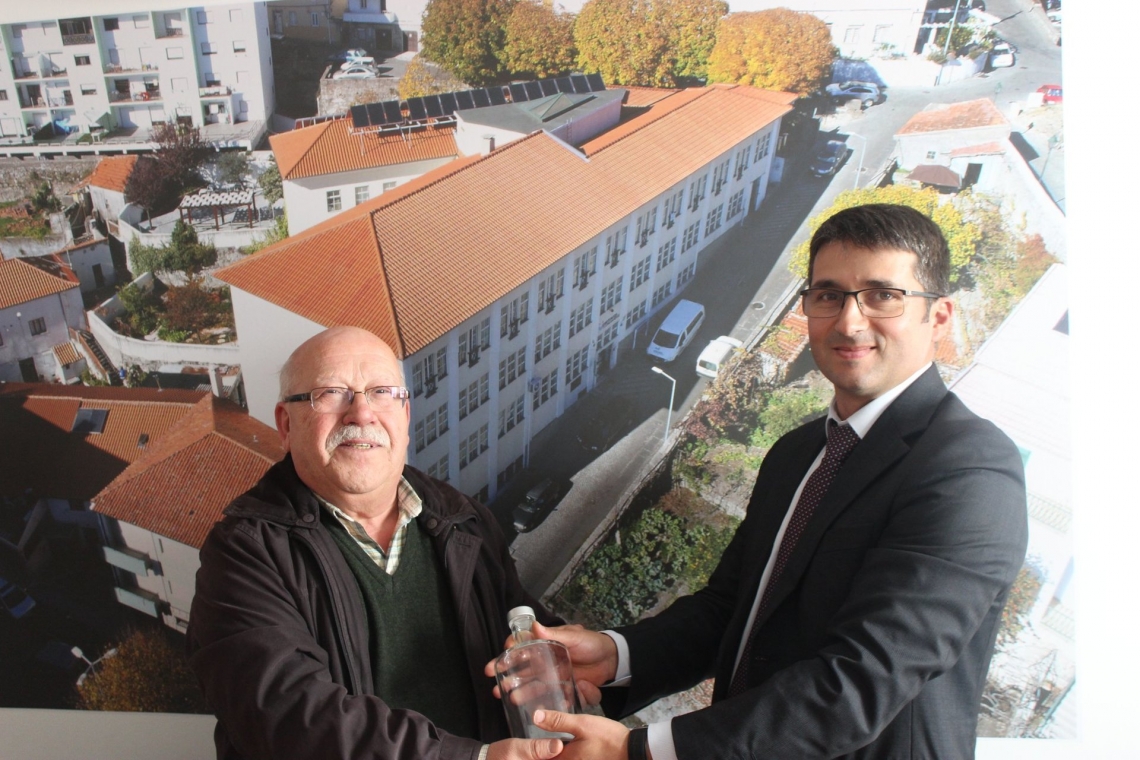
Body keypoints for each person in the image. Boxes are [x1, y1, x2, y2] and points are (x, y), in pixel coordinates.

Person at [510, 204, 1029, 759]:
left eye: (883, 295)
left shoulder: (970, 469)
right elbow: (730, 609)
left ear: (939, 316)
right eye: (828, 295)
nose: (850, 322)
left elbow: (862, 682)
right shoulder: (797, 453)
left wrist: (641, 752)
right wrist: (617, 654)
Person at [188, 326, 564, 760]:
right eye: (332, 393)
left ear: (405, 415)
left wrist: (593, 663)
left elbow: (530, 634)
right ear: (286, 424)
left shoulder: (465, 522)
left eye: (382, 392)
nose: (362, 414)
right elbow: (289, 721)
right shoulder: (241, 554)